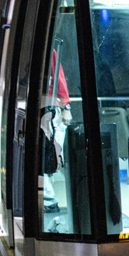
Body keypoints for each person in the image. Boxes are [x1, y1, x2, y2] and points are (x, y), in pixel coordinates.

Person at [41, 50, 72, 213]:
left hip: (50, 108)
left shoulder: (48, 51)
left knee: (50, 154)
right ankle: (48, 199)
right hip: (47, 108)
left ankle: (49, 201)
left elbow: (59, 78)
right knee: (49, 154)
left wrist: (66, 106)